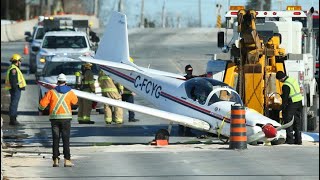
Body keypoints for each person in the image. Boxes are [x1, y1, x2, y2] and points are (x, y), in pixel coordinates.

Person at [39, 73, 78, 167]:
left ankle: (55, 159)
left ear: (57, 82)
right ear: (65, 82)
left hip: (54, 119)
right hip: (66, 119)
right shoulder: (70, 92)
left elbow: (42, 104)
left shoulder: (51, 92)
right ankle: (67, 160)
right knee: (66, 139)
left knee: (55, 139)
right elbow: (75, 103)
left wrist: (41, 109)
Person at [276, 71, 303, 145]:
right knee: (297, 121)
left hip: (292, 103)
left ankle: (290, 140)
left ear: (280, 79)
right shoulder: (292, 79)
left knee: (288, 121)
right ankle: (298, 140)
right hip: (299, 102)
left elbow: (285, 99)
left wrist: (282, 107)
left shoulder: (285, 85)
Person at [178, 64, 206, 136]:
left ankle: (187, 130)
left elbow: (198, 77)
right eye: (189, 70)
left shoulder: (193, 78)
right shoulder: (182, 78)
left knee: (189, 115)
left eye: (191, 70)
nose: (190, 72)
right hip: (183, 99)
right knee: (182, 114)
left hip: (191, 99)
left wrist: (204, 76)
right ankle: (181, 129)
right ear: (186, 71)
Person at [5, 54, 27, 126]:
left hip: (16, 89)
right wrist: (15, 89)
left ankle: (13, 119)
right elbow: (13, 81)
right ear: (16, 61)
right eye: (20, 61)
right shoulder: (13, 69)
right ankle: (13, 120)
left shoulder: (14, 68)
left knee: (14, 103)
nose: (20, 62)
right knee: (14, 104)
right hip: (15, 89)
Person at [122, 57, 139, 122]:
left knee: (118, 107)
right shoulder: (130, 72)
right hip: (128, 93)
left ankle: (115, 118)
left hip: (122, 93)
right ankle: (131, 118)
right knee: (131, 107)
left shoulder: (121, 70)